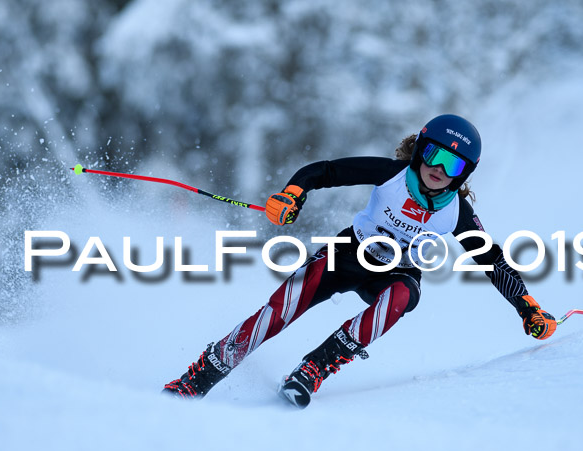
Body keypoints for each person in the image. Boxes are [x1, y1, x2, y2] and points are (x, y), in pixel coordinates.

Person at [163, 114, 557, 407]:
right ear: (420, 150)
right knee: (282, 307)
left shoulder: (457, 213)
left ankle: (313, 369)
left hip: (395, 274)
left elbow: (492, 261)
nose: (438, 169)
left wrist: (527, 307)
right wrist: (292, 193)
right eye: (434, 155)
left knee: (405, 296)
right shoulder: (390, 175)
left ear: (464, 173)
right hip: (347, 254)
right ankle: (200, 376)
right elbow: (325, 171)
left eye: (452, 165)